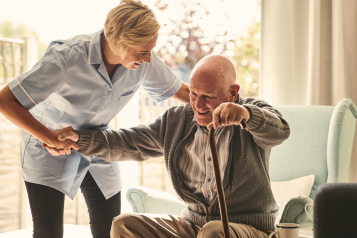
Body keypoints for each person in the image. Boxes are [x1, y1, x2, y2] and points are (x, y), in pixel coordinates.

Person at [0, 1, 190, 237]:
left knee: (109, 229)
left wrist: (227, 103)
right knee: (48, 232)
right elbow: (5, 100)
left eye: (150, 50)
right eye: (143, 52)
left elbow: (182, 91)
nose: (149, 59)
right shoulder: (66, 59)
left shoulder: (141, 61)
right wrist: (48, 136)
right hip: (48, 147)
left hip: (97, 144)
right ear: (118, 41)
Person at [50, 54, 291, 238]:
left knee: (214, 232)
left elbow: (279, 131)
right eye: (194, 93)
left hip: (249, 228)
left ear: (232, 92)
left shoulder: (251, 113)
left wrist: (246, 115)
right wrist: (79, 139)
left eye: (208, 96)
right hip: (193, 225)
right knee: (123, 224)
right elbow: (129, 142)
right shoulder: (177, 121)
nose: (198, 104)